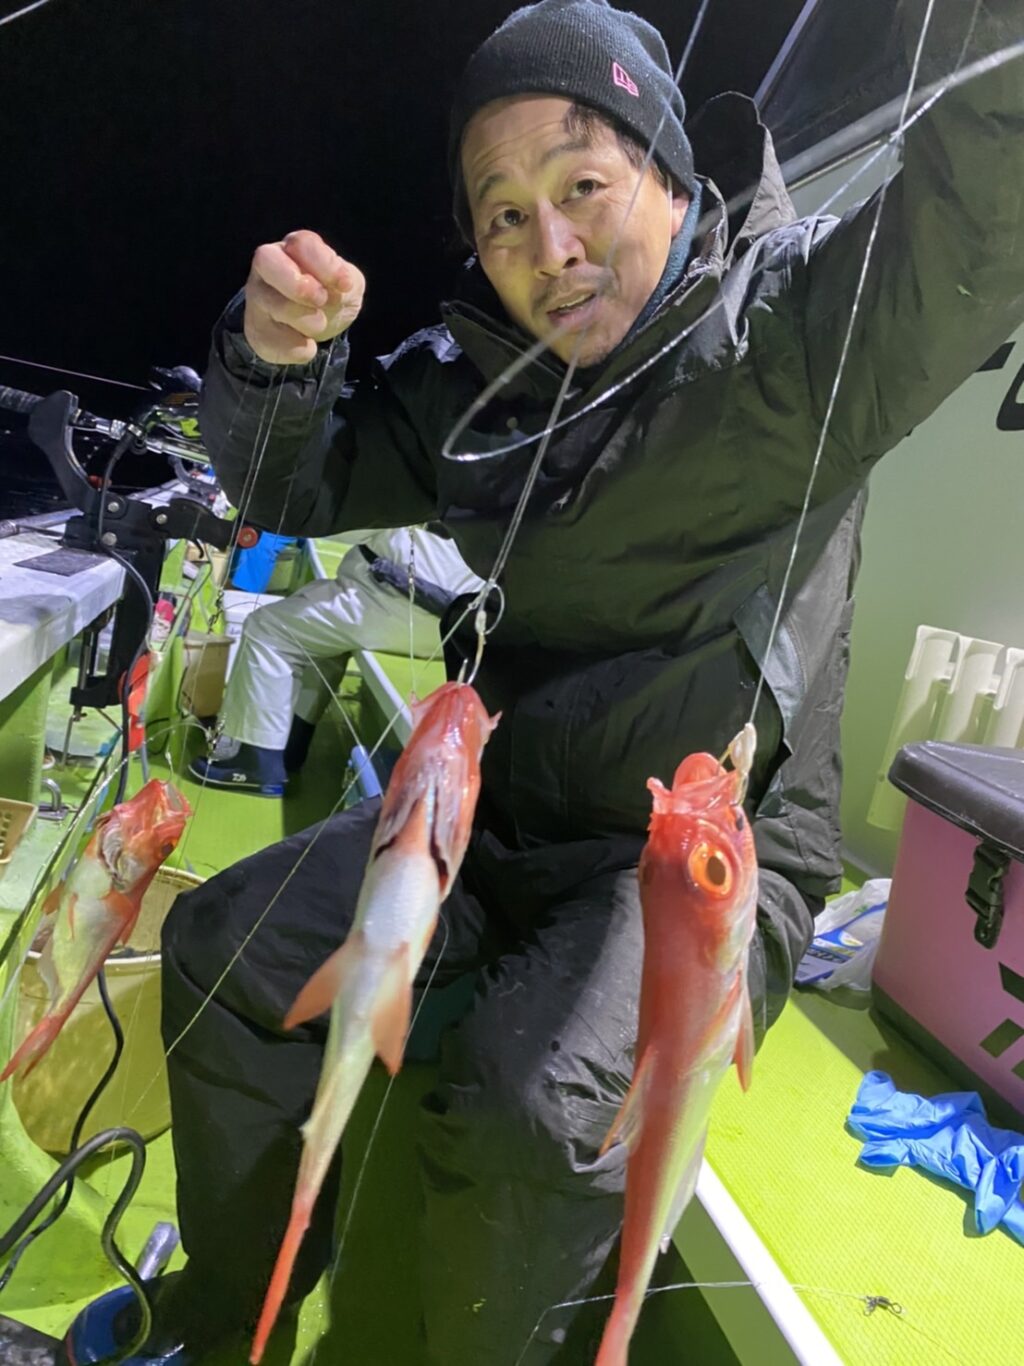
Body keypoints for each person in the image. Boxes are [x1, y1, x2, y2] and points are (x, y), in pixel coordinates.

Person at [115, 1, 1021, 1362]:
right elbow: (291, 483)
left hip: (700, 858)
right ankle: (227, 1317)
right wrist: (273, 361)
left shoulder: (796, 333)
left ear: (670, 173)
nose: (551, 248)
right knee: (219, 948)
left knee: (528, 1109)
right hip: (492, 807)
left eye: (583, 184)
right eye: (504, 216)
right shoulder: (475, 385)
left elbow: (979, 208)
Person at [189, 525, 483, 795]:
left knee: (267, 629)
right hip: (450, 623)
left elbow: (345, 526)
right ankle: (292, 741)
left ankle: (258, 763)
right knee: (321, 632)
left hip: (394, 603)